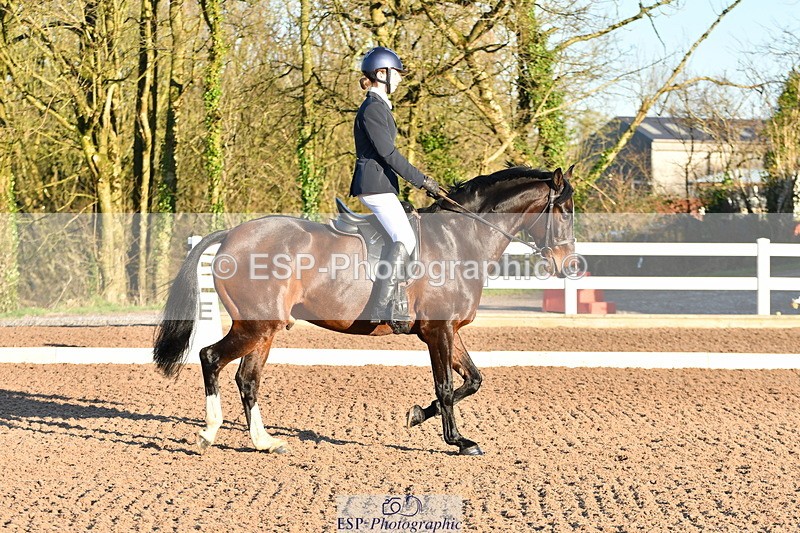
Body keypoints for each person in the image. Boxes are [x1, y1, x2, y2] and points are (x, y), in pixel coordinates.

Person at [350, 46, 442, 333]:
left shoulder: (380, 107)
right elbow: (388, 154)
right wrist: (423, 181)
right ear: (381, 74)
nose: (400, 80)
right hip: (374, 185)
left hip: (382, 185)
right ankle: (384, 303)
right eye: (396, 74)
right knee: (404, 236)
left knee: (406, 233)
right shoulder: (373, 108)